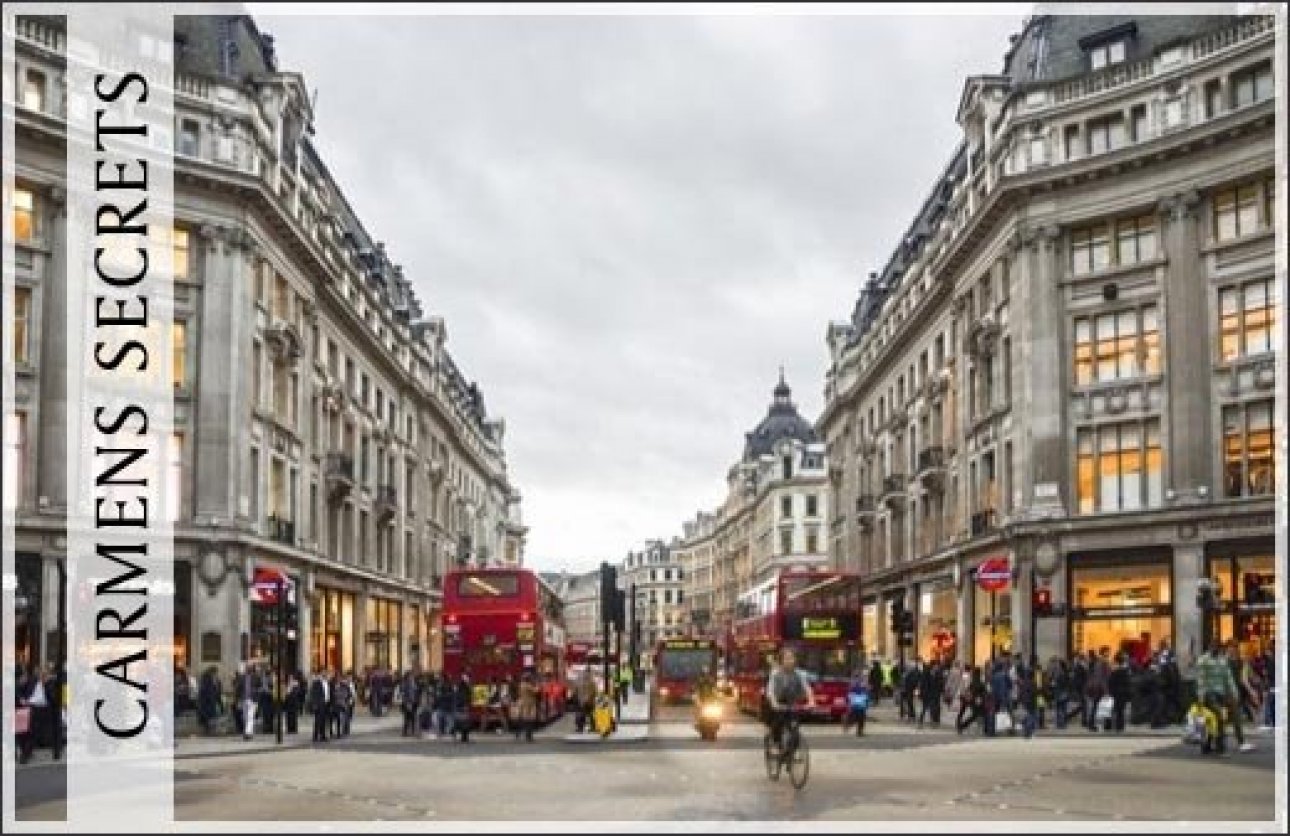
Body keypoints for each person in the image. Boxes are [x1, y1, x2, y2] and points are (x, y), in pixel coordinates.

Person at [764, 648, 816, 755]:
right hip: (777, 702)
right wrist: (774, 703)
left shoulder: (799, 674)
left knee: (794, 729)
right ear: (781, 660)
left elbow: (807, 688)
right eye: (787, 658)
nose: (790, 661)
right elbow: (770, 690)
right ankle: (775, 743)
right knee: (777, 723)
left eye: (792, 658)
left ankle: (790, 754)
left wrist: (811, 701)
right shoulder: (775, 673)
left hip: (792, 702)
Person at [1195, 641, 1239, 756]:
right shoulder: (1203, 660)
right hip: (1208, 694)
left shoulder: (1222, 660)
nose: (1215, 649)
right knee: (1218, 716)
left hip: (1221, 693)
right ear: (1209, 648)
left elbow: (1228, 677)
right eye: (1212, 647)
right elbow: (1200, 679)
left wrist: (1234, 692)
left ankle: (1206, 746)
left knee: (1212, 718)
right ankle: (1220, 749)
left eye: (1217, 647)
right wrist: (1200, 696)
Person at [1225, 641, 1255, 752]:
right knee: (1225, 718)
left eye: (1234, 648)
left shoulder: (1241, 662)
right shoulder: (1222, 661)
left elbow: (1244, 679)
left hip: (1235, 693)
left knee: (1235, 718)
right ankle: (1210, 742)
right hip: (1224, 693)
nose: (1232, 650)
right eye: (1230, 648)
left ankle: (1241, 742)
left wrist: (1251, 691)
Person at [197, 667, 223, 736]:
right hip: (206, 701)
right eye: (215, 672)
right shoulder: (206, 680)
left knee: (212, 715)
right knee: (209, 715)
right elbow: (205, 691)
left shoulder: (216, 680)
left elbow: (218, 691)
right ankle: (209, 730)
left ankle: (211, 730)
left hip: (212, 700)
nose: (217, 674)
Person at [843, 672, 870, 737]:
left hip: (857, 704)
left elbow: (865, 694)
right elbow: (865, 694)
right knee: (859, 718)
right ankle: (856, 729)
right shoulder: (857, 685)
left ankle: (857, 730)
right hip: (857, 704)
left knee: (860, 718)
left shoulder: (854, 684)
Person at [515, 672, 539, 742]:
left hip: (523, 702)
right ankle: (528, 736)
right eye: (531, 678)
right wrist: (537, 685)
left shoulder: (521, 685)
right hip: (529, 703)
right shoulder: (527, 685)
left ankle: (518, 732)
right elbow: (536, 691)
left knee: (523, 718)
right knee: (530, 719)